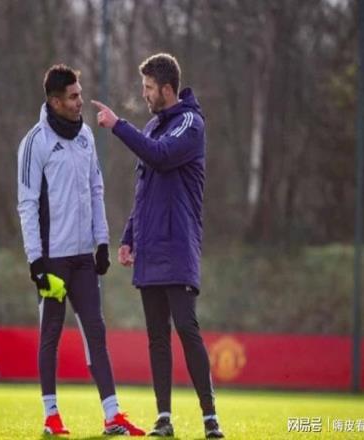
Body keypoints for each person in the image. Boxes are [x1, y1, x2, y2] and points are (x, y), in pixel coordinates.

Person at [92, 53, 224, 439]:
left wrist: (118, 125)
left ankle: (210, 418)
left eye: (148, 87)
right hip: (150, 248)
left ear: (167, 89)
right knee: (156, 336)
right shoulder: (152, 126)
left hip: (178, 245)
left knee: (186, 327)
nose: (144, 93)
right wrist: (129, 236)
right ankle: (163, 418)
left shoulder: (190, 123)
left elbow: (162, 158)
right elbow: (144, 190)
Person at [17, 64, 145, 436]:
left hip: (84, 258)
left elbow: (95, 189)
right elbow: (26, 204)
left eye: (80, 93)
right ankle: (51, 416)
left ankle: (112, 416)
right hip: (52, 260)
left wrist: (101, 242)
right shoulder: (34, 143)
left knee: (96, 332)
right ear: (55, 101)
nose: (80, 101)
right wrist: (36, 262)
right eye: (73, 96)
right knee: (51, 335)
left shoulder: (86, 136)